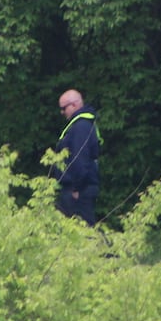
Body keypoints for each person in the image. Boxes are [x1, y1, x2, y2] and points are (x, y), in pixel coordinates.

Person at [52, 88, 101, 225]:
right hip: (77, 189)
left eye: (63, 108)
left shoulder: (81, 127)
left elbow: (80, 160)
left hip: (77, 191)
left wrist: (76, 189)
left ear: (73, 105)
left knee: (82, 230)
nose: (62, 112)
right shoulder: (81, 125)